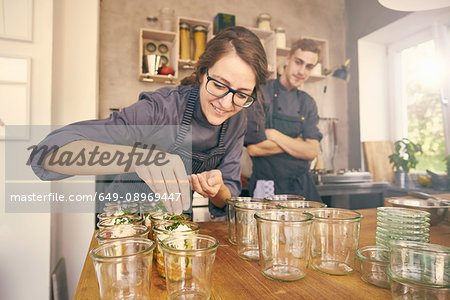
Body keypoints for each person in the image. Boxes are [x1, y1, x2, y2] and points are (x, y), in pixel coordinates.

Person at [29, 26, 269, 218]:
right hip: (124, 222)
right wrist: (143, 159)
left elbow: (229, 200)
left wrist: (218, 189)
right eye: (218, 85)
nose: (227, 104)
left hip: (175, 223)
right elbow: (47, 155)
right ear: (201, 73)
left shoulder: (237, 122)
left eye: (241, 94)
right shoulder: (159, 109)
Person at [245, 38, 323, 201]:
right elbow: (255, 148)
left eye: (309, 66)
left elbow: (311, 151)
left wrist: (274, 135)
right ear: (287, 59)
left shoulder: (308, 102)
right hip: (268, 186)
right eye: (298, 62)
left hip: (302, 187)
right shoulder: (261, 93)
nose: (302, 71)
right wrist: (298, 142)